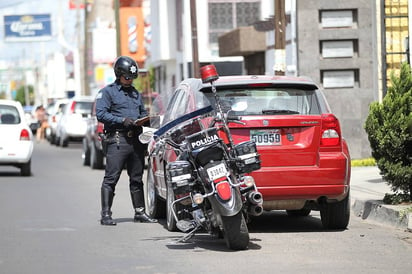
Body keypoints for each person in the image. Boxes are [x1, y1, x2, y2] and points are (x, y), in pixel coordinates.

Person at [95, 56, 157, 225]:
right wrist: (122, 120)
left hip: (135, 140)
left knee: (137, 178)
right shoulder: (107, 92)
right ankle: (106, 214)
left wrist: (148, 119)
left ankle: (139, 212)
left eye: (132, 78)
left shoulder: (135, 93)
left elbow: (142, 111)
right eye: (127, 77)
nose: (129, 80)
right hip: (117, 139)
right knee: (111, 178)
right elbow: (101, 114)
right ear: (119, 74)